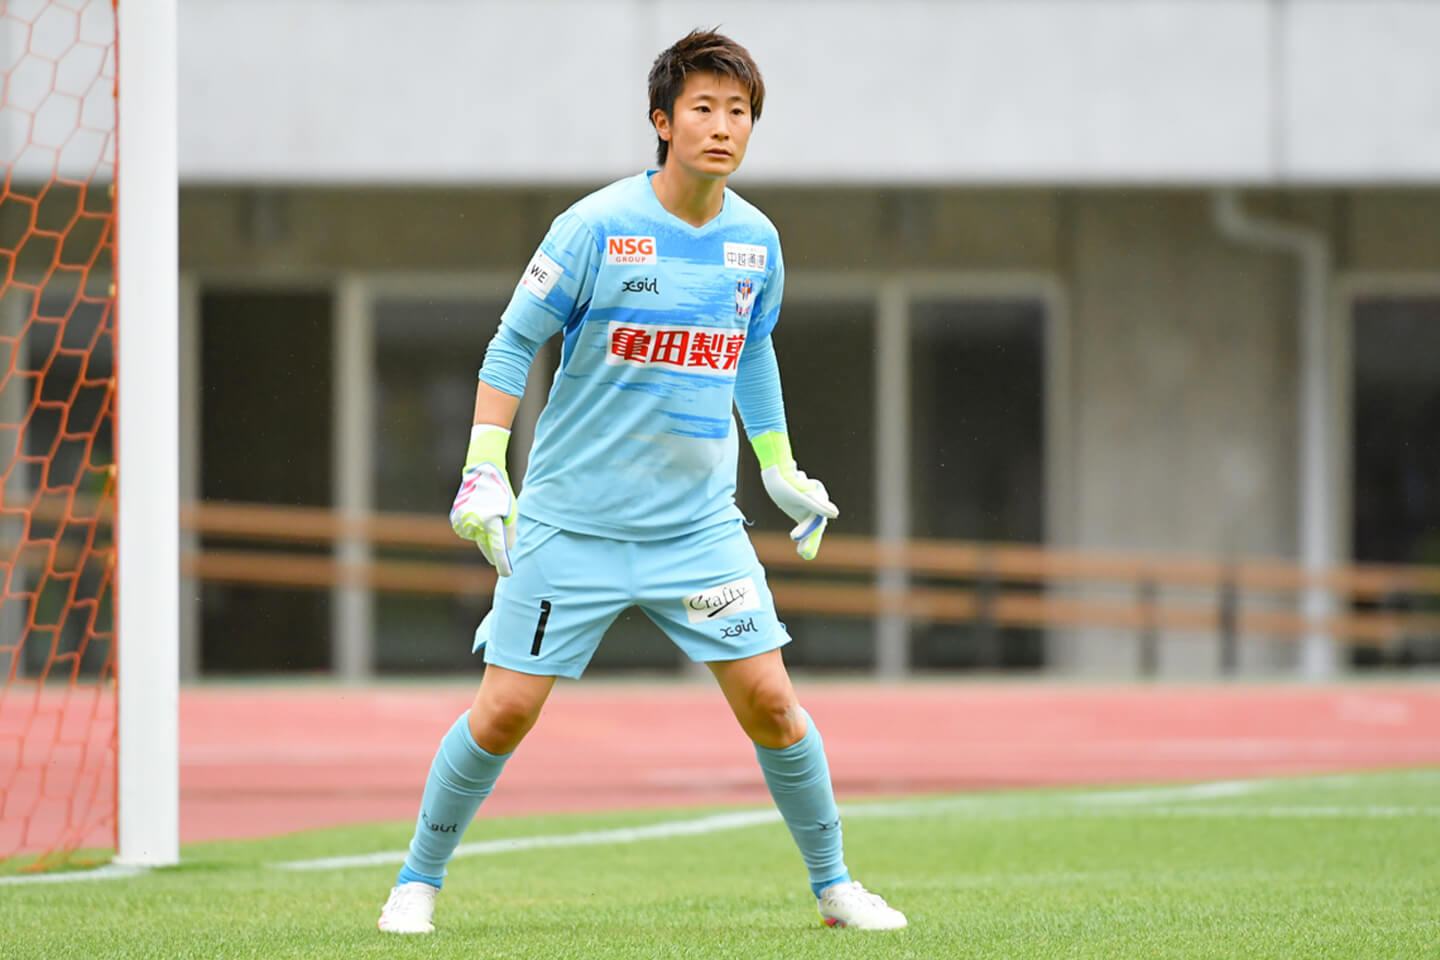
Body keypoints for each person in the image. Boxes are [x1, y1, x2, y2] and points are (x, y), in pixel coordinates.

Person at [378, 28, 907, 935]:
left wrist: (777, 465)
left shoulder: (756, 242)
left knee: (774, 706)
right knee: (502, 715)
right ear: (662, 121)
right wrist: (482, 468)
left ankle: (835, 887)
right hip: (570, 526)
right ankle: (415, 883)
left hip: (698, 533)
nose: (723, 127)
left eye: (738, 111)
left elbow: (752, 350)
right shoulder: (594, 228)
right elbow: (512, 343)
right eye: (703, 108)